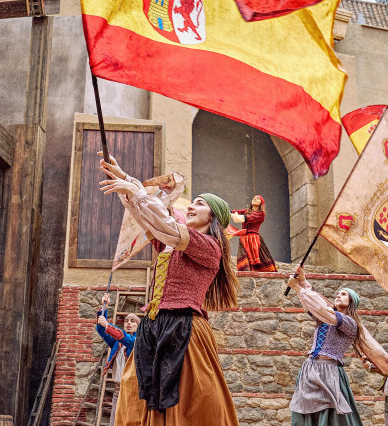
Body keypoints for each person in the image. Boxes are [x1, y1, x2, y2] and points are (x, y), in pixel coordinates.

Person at [98, 152, 239, 425]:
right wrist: (123, 179)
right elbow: (150, 221)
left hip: (183, 328)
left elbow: (165, 224)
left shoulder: (210, 247)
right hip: (154, 325)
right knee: (136, 391)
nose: (191, 206)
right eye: (192, 201)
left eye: (199, 204)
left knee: (185, 400)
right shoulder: (171, 241)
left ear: (214, 217)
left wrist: (137, 190)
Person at [285, 266, 365, 426]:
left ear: (352, 302)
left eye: (344, 294)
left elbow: (322, 308)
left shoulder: (350, 323)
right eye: (338, 293)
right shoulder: (325, 317)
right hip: (310, 368)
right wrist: (303, 280)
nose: (339, 295)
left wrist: (297, 288)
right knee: (303, 413)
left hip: (329, 372)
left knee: (328, 415)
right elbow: (316, 306)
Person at [96, 294, 140, 382]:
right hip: (118, 385)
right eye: (126, 321)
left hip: (133, 385)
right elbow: (101, 329)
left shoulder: (138, 340)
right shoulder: (117, 342)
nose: (128, 323)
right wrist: (104, 308)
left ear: (138, 326)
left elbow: (125, 338)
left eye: (132, 321)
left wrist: (107, 324)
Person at [232, 194, 277, 272]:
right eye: (254, 198)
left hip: (254, 239)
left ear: (261, 203)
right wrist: (223, 211)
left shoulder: (261, 214)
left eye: (258, 198)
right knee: (243, 256)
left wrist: (237, 217)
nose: (255, 199)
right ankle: (246, 273)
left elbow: (249, 218)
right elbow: (234, 212)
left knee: (260, 257)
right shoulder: (246, 211)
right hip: (244, 238)